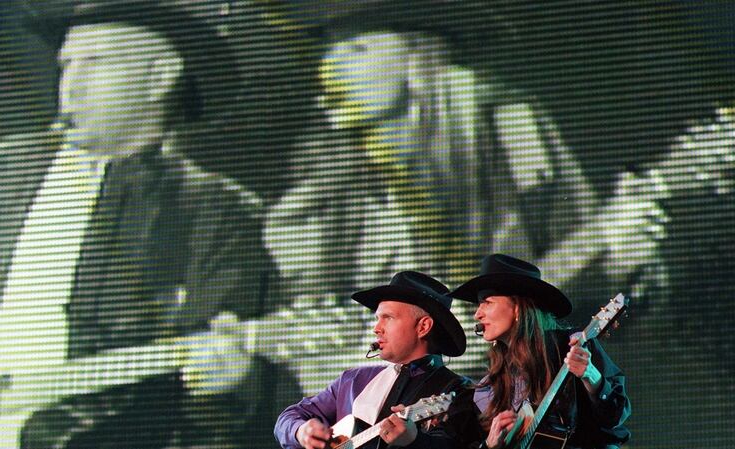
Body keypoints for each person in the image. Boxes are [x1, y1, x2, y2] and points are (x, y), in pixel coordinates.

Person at [0, 2, 304, 448]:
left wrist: (232, 382)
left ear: (159, 76)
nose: (70, 86)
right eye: (66, 64)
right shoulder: (4, 168)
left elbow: (236, 403)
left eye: (95, 61)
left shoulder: (216, 211)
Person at [264, 4, 668, 337]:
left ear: (419, 55)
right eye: (327, 52)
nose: (329, 71)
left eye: (356, 49)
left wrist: (619, 262)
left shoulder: (508, 123)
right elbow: (306, 313)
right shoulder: (322, 165)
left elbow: (574, 257)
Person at [274, 271, 483, 449]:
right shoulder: (354, 380)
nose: (376, 328)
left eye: (388, 318)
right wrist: (301, 431)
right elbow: (291, 416)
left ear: (423, 327)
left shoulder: (459, 391)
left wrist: (415, 441)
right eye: (377, 318)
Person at [449, 253, 631, 449]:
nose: (477, 314)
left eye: (487, 302)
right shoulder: (489, 389)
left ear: (518, 308)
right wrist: (490, 445)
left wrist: (591, 376)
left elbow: (615, 416)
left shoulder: (574, 345)